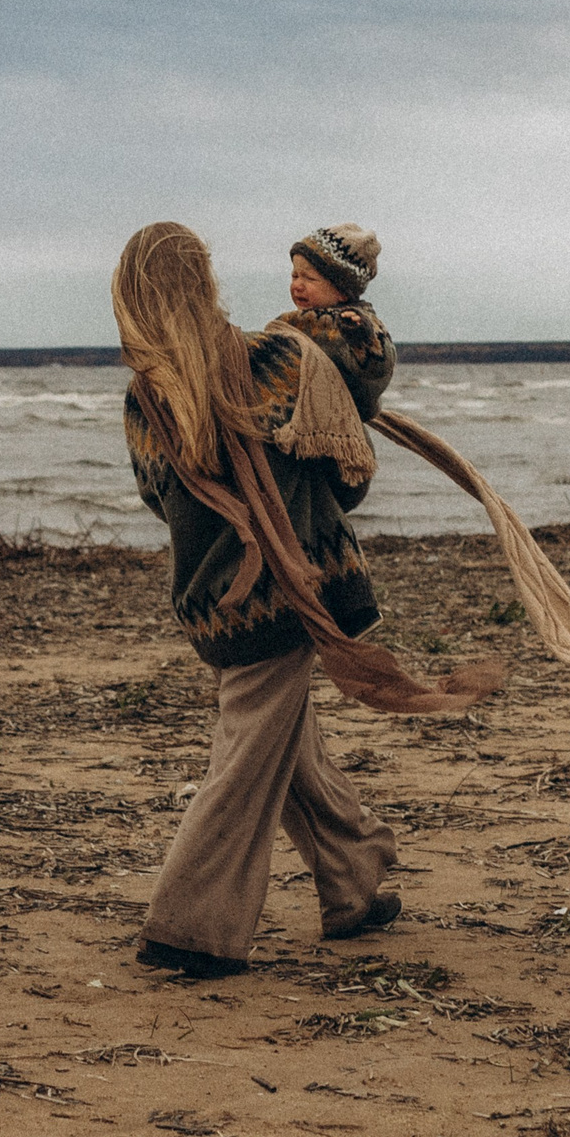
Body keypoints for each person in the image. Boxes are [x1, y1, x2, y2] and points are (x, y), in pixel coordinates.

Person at [117, 221, 480, 980]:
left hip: (213, 603)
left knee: (280, 737)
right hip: (290, 590)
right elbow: (351, 459)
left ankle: (354, 878)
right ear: (204, 283)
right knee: (252, 752)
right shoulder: (275, 359)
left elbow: (161, 501)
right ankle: (190, 927)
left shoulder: (144, 396)